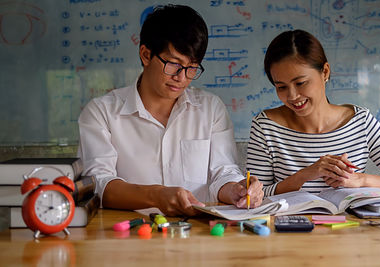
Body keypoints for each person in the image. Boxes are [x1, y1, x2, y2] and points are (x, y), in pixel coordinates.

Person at [78, 5, 264, 216]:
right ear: (146, 55)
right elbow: (98, 185)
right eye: (174, 64)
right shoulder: (101, 113)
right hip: (129, 236)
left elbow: (223, 172)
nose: (182, 77)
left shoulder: (210, 109)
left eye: (192, 67)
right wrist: (155, 195)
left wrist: (236, 190)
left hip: (197, 235)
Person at [247, 29, 380, 196]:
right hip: (289, 222)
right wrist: (302, 176)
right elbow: (254, 195)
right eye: (281, 87)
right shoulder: (265, 126)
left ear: (325, 72)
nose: (292, 96)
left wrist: (361, 180)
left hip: (350, 222)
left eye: (301, 83)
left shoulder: (361, 122)